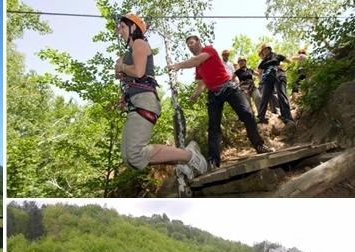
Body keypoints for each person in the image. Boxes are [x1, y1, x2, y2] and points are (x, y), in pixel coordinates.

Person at [113, 14, 207, 177]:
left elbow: (139, 72)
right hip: (136, 102)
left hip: (144, 102)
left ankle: (189, 155)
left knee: (134, 155)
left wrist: (122, 66)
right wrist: (123, 96)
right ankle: (182, 161)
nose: (119, 30)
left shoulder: (139, 43)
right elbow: (130, 77)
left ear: (133, 27)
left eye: (122, 26)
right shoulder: (130, 50)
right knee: (128, 157)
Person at [167, 35, 273, 169]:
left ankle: (259, 145)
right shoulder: (198, 67)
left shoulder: (209, 50)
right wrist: (194, 96)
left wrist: (177, 65)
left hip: (228, 87)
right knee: (213, 127)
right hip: (213, 94)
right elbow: (201, 85)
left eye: (191, 43)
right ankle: (213, 161)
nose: (190, 46)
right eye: (188, 45)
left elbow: (197, 59)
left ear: (199, 42)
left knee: (247, 113)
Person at [256, 44, 293, 124]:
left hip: (279, 74)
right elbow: (259, 72)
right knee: (264, 97)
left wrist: (289, 68)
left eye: (266, 49)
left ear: (270, 49)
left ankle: (287, 117)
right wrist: (261, 80)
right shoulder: (263, 62)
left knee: (281, 95)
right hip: (268, 78)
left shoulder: (277, 56)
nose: (265, 51)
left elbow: (289, 61)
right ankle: (260, 117)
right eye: (263, 50)